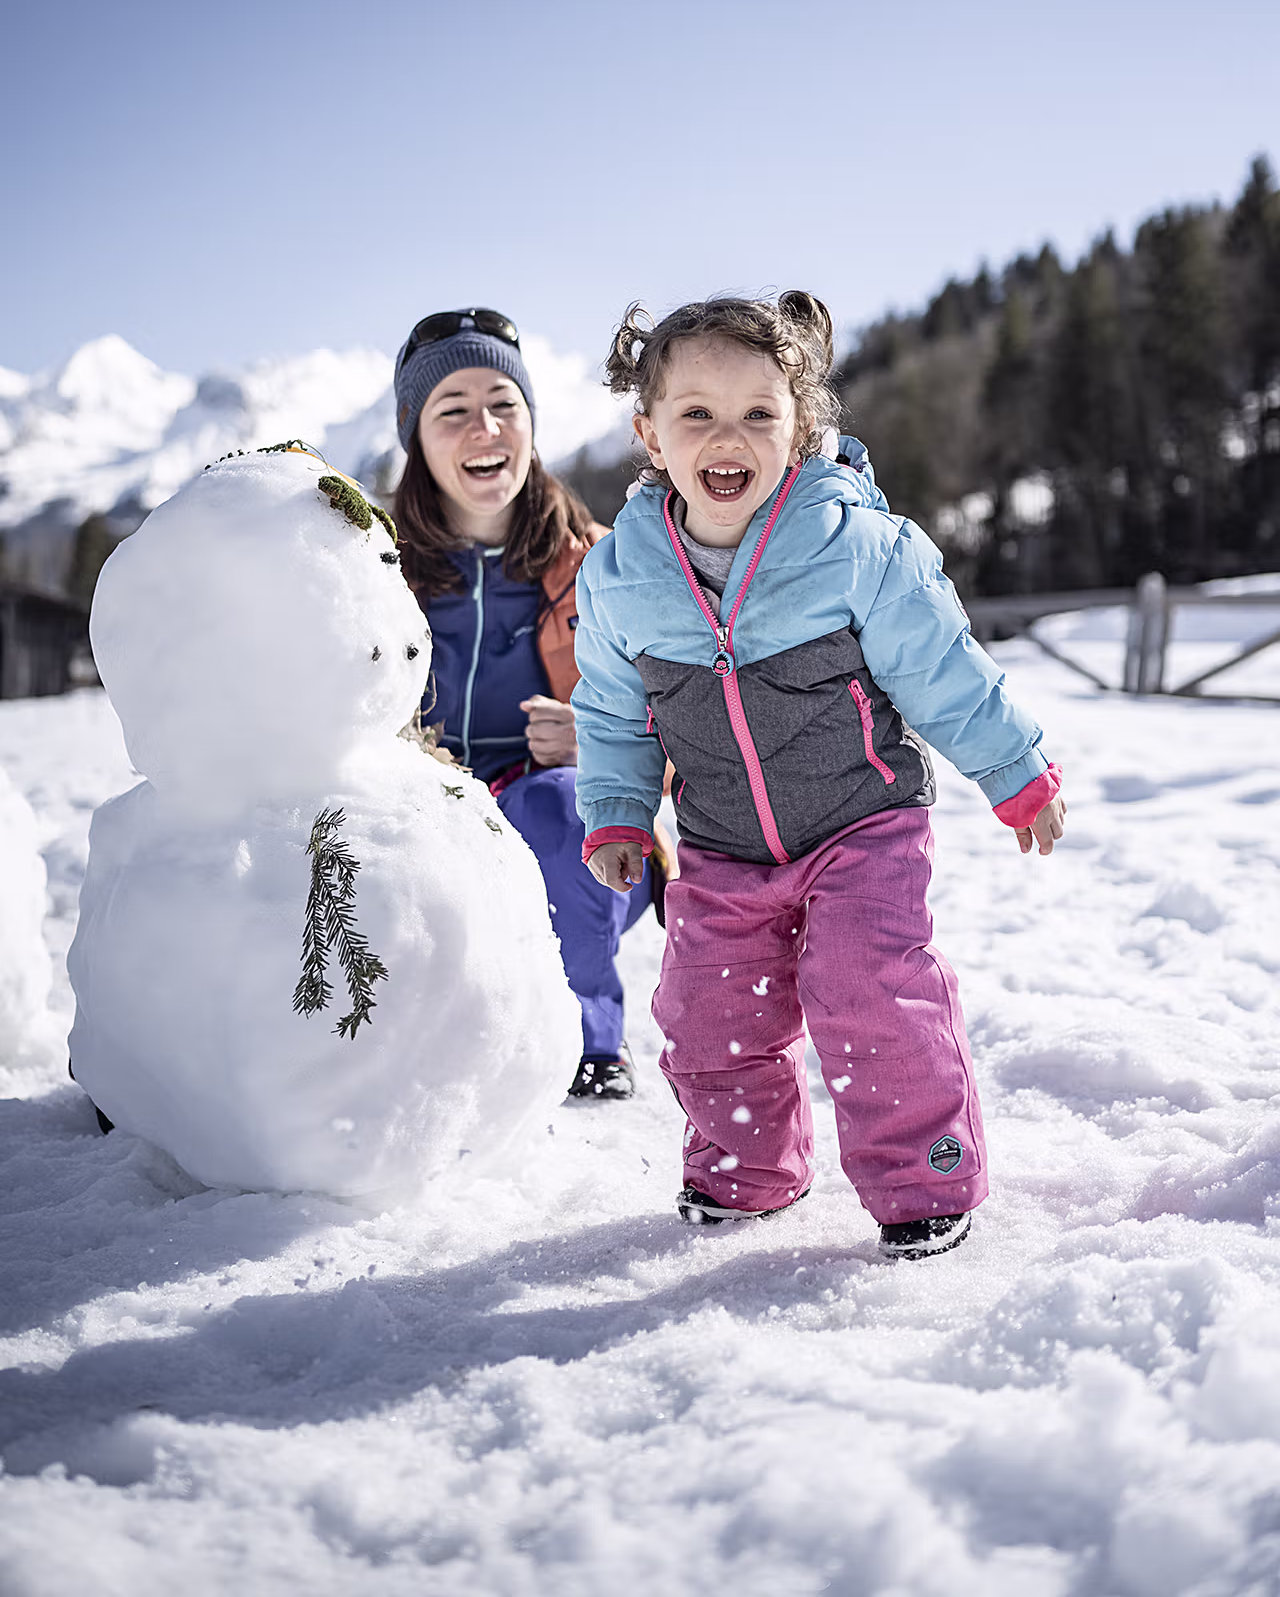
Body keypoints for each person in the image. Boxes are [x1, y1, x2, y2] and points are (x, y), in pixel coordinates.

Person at [571, 292, 1066, 1256]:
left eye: (759, 412)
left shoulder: (854, 546)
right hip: (721, 842)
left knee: (866, 987)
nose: (729, 437)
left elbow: (943, 668)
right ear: (650, 433)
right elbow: (612, 711)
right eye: (697, 412)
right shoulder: (622, 576)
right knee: (707, 1010)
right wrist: (621, 810)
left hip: (862, 823)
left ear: (799, 427)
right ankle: (747, 1166)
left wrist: (1015, 770)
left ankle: (923, 1179)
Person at [392, 307, 654, 1099]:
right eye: (453, 410)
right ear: (415, 435)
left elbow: (692, 721)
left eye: (503, 404)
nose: (486, 428)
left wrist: (603, 740)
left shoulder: (603, 564)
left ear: (531, 422)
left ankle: (585, 1038)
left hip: (576, 843)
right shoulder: (373, 569)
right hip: (410, 824)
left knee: (561, 807)